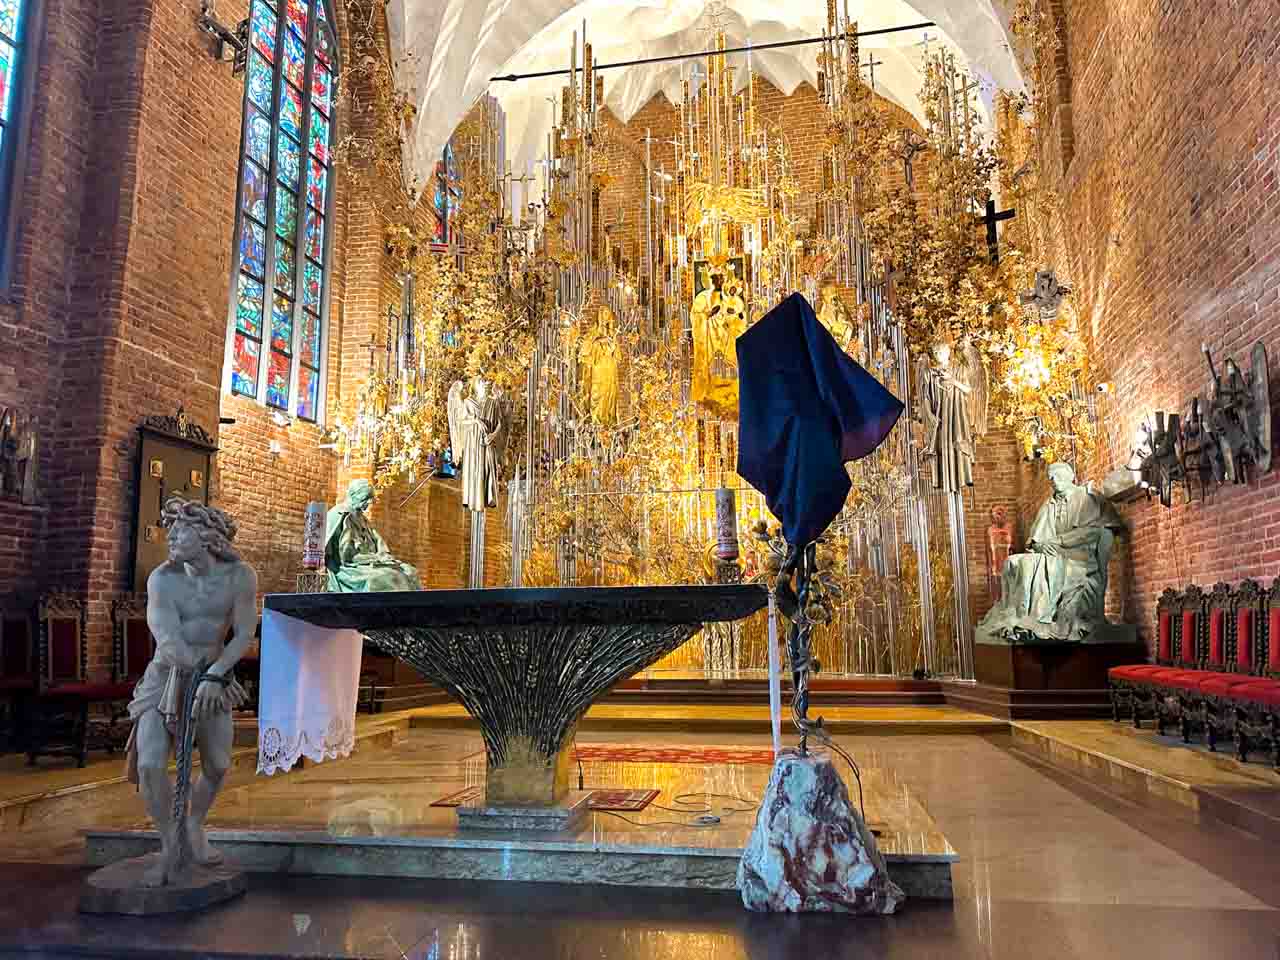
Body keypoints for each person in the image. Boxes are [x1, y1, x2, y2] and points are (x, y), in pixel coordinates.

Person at [127, 497, 257, 886]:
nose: (171, 539)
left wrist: (217, 676)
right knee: (151, 764)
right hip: (166, 677)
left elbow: (245, 633)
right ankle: (170, 845)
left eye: (180, 532)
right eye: (171, 531)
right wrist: (201, 674)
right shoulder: (162, 579)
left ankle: (193, 824)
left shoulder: (240, 576)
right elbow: (166, 637)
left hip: (214, 678)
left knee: (217, 764)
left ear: (206, 538)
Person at [978, 462, 1125, 643]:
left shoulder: (1087, 497)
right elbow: (1036, 538)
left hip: (1078, 555)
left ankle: (1040, 617)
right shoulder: (1051, 503)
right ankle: (1016, 615)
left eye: (1057, 475)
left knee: (1044, 568)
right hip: (1051, 553)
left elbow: (1093, 532)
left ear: (1070, 476)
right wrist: (1039, 545)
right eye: (1051, 477)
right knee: (1015, 562)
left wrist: (1058, 542)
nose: (1053, 480)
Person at [324, 479, 422, 591]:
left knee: (410, 572)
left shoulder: (362, 519)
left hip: (369, 562)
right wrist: (377, 559)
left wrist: (384, 556)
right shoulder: (339, 515)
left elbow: (378, 543)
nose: (370, 502)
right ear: (355, 495)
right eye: (366, 498)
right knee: (389, 576)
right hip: (350, 568)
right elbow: (347, 555)